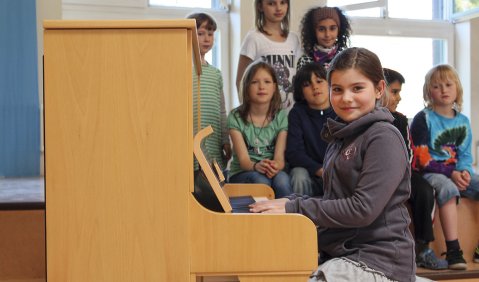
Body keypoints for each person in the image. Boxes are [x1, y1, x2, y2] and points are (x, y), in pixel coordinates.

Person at [251, 47, 418, 281]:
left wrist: (296, 208)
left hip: (379, 261)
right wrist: (290, 201)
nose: (346, 98)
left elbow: (362, 210)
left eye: (357, 88)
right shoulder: (342, 135)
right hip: (345, 250)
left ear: (379, 89)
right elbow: (334, 200)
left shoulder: (383, 137)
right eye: (337, 89)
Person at [410, 64, 479, 270]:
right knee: (448, 188)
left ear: (457, 88)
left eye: (449, 85)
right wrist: (452, 173)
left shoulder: (463, 121)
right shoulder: (423, 119)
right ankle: (453, 250)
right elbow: (422, 159)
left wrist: (465, 172)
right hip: (431, 172)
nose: (444, 90)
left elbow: (466, 155)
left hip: (458, 171)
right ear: (428, 92)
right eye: (437, 86)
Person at [383, 68, 447, 270]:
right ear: (379, 90)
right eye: (394, 92)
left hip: (403, 174)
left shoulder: (400, 120)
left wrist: (399, 173)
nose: (399, 97)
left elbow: (408, 152)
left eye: (399, 92)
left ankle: (424, 249)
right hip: (378, 176)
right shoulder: (367, 119)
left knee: (425, 190)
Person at [228, 61, 292, 198]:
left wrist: (274, 166)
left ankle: (287, 218)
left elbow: (280, 159)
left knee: (283, 180)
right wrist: (257, 166)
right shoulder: (235, 116)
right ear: (246, 87)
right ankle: (262, 219)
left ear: (274, 87)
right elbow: (244, 161)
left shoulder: (281, 116)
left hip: (271, 171)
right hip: (242, 172)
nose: (261, 86)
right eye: (255, 82)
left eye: (267, 82)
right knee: (261, 182)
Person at [235, 0, 301, 112]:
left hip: (291, 114)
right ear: (260, 6)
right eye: (271, 3)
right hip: (263, 116)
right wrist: (250, 114)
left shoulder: (294, 39)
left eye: (283, 3)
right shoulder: (254, 38)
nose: (278, 8)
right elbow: (241, 81)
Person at [187, 13, 231, 171]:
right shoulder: (182, 70)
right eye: (200, 34)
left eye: (210, 34)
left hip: (212, 139)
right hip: (189, 140)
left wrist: (225, 140)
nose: (206, 38)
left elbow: (222, 110)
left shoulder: (216, 74)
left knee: (213, 181)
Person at [286, 63, 336, 196]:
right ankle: (299, 215)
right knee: (298, 174)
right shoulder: (297, 113)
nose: (315, 87)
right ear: (301, 93)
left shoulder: (340, 111)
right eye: (307, 84)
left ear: (330, 84)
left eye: (319, 81)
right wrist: (319, 170)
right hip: (310, 172)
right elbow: (294, 153)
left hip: (335, 171)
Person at [297, 6, 351, 71]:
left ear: (339, 30)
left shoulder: (346, 58)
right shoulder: (305, 61)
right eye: (321, 29)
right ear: (313, 31)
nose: (327, 34)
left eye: (332, 28)